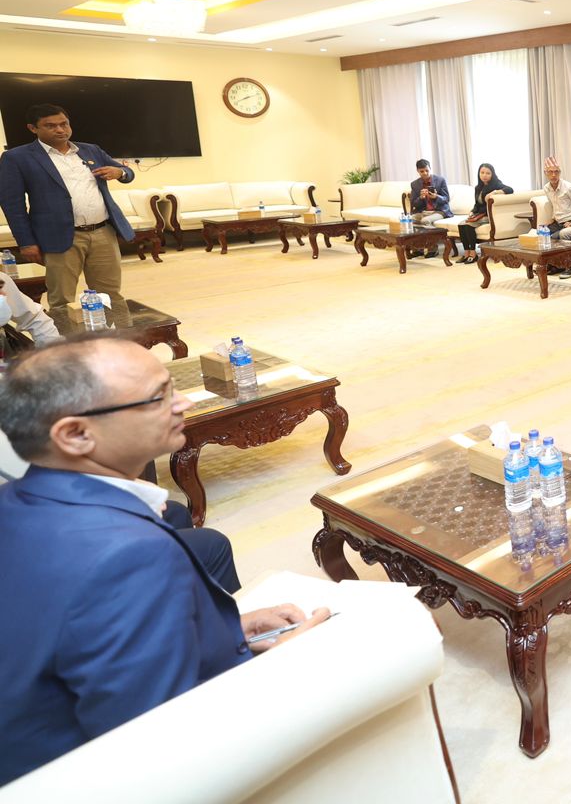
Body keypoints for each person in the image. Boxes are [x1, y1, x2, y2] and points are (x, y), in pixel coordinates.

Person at [0, 334, 331, 783]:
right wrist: (278, 669)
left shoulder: (16, 500)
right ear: (76, 435)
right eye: (159, 397)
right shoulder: (129, 557)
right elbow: (164, 752)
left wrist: (229, 631)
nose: (185, 403)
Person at [0, 103, 137, 312]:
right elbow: (12, 204)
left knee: (111, 295)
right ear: (33, 128)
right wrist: (26, 242)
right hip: (58, 237)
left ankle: (116, 333)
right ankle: (64, 334)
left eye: (64, 124)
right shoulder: (17, 158)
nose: (60, 130)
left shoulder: (90, 150)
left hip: (103, 233)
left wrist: (121, 173)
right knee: (61, 300)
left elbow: (126, 172)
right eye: (51, 126)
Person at [459, 163, 514, 263]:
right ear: (479, 174)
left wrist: (494, 192)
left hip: (489, 215)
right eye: (482, 172)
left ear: (492, 174)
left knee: (468, 225)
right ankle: (466, 252)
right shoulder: (478, 187)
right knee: (461, 224)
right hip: (479, 215)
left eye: (488, 173)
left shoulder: (496, 184)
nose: (484, 175)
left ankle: (473, 254)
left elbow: (510, 189)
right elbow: (477, 204)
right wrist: (472, 211)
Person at [540, 157, 571, 240]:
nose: (553, 175)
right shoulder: (546, 188)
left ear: (560, 172)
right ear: (545, 173)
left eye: (556, 172)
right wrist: (552, 219)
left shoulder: (569, 187)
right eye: (550, 172)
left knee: (554, 237)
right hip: (557, 223)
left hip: (570, 221)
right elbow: (553, 205)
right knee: (540, 234)